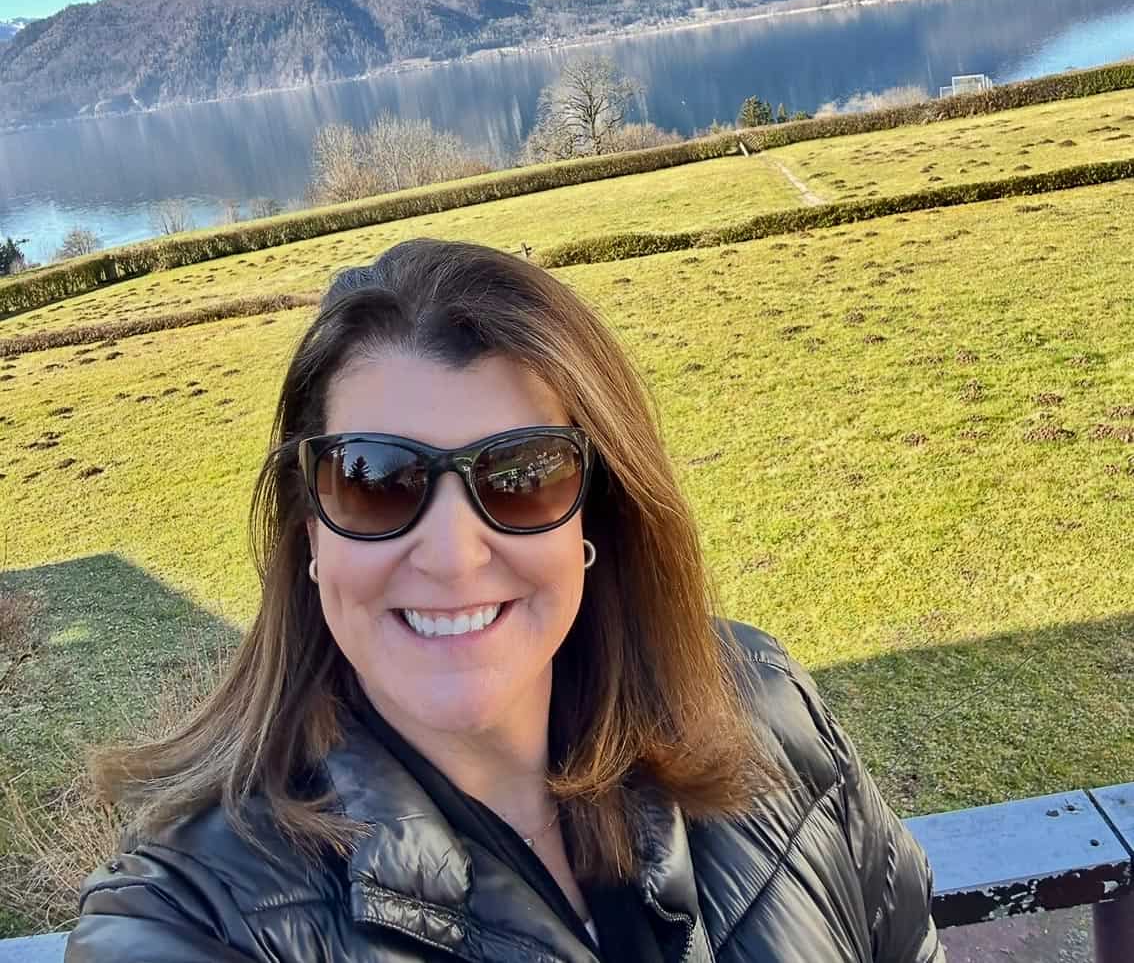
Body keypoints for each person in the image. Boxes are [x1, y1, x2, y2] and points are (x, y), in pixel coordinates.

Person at [66, 237, 943, 962]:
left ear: (596, 515)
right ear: (308, 536)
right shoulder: (188, 923)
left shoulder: (762, 700)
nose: (451, 555)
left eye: (522, 477)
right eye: (375, 481)